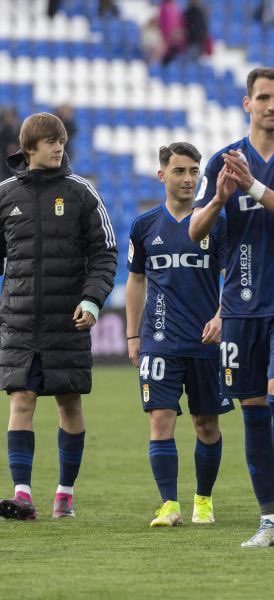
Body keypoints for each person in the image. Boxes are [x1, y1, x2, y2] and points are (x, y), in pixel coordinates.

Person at [189, 67, 274, 547]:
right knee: (253, 411)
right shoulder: (224, 162)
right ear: (247, 103)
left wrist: (255, 190)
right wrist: (221, 198)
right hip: (241, 308)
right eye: (263, 97)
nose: (271, 105)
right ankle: (268, 518)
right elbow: (195, 232)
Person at [0, 113, 117, 521]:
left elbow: (105, 253)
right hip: (19, 322)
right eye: (51, 141)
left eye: (62, 140)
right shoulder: (6, 195)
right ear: (29, 147)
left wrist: (92, 300)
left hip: (68, 320)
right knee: (22, 399)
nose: (59, 147)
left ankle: (64, 494)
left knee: (69, 403)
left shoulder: (82, 192)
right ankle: (23, 494)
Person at [125, 142, 230, 528]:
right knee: (161, 420)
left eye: (193, 171)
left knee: (207, 425)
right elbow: (136, 280)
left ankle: (203, 499)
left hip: (206, 341)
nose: (188, 178)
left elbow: (232, 277)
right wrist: (132, 335)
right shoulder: (144, 226)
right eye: (180, 171)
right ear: (162, 175)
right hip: (159, 339)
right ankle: (169, 504)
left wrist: (222, 316)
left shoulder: (216, 222)